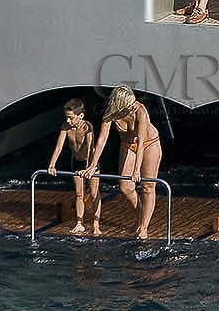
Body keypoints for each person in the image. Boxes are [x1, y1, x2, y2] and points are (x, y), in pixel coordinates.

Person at [82, 84, 162, 240]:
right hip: (128, 145)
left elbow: (141, 143)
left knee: (147, 186)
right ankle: (140, 218)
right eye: (128, 104)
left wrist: (136, 170)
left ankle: (144, 227)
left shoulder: (140, 111)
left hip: (149, 143)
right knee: (125, 187)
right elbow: (102, 140)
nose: (132, 106)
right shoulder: (111, 113)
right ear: (120, 104)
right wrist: (92, 165)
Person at [47, 97, 100, 235]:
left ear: (80, 116)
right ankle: (79, 223)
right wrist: (52, 165)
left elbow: (90, 149)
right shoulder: (65, 127)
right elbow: (59, 147)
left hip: (90, 162)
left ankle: (96, 224)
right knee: (79, 194)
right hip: (77, 161)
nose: (68, 121)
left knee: (94, 193)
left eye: (71, 118)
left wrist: (89, 168)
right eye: (67, 117)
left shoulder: (87, 127)